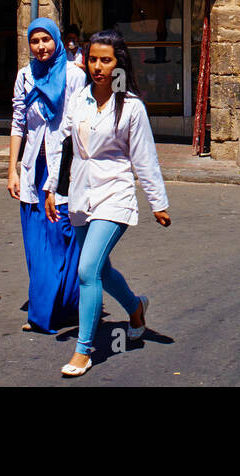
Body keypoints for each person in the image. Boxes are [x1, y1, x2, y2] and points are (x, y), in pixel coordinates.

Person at [47, 29, 170, 378]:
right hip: (81, 193)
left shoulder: (131, 107)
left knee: (86, 271)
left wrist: (157, 202)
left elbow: (145, 159)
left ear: (119, 64)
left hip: (115, 195)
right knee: (100, 270)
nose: (98, 67)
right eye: (93, 59)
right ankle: (134, 308)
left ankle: (84, 350)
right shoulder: (80, 100)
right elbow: (64, 147)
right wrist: (52, 189)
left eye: (107, 60)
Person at [9, 17, 87, 333]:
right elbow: (18, 123)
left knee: (60, 238)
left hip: (63, 167)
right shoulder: (25, 77)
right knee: (36, 243)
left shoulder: (73, 76)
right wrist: (12, 170)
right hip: (32, 169)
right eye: (35, 41)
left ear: (56, 41)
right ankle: (47, 308)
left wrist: (58, 179)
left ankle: (58, 309)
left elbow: (72, 127)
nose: (41, 47)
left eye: (46, 40)